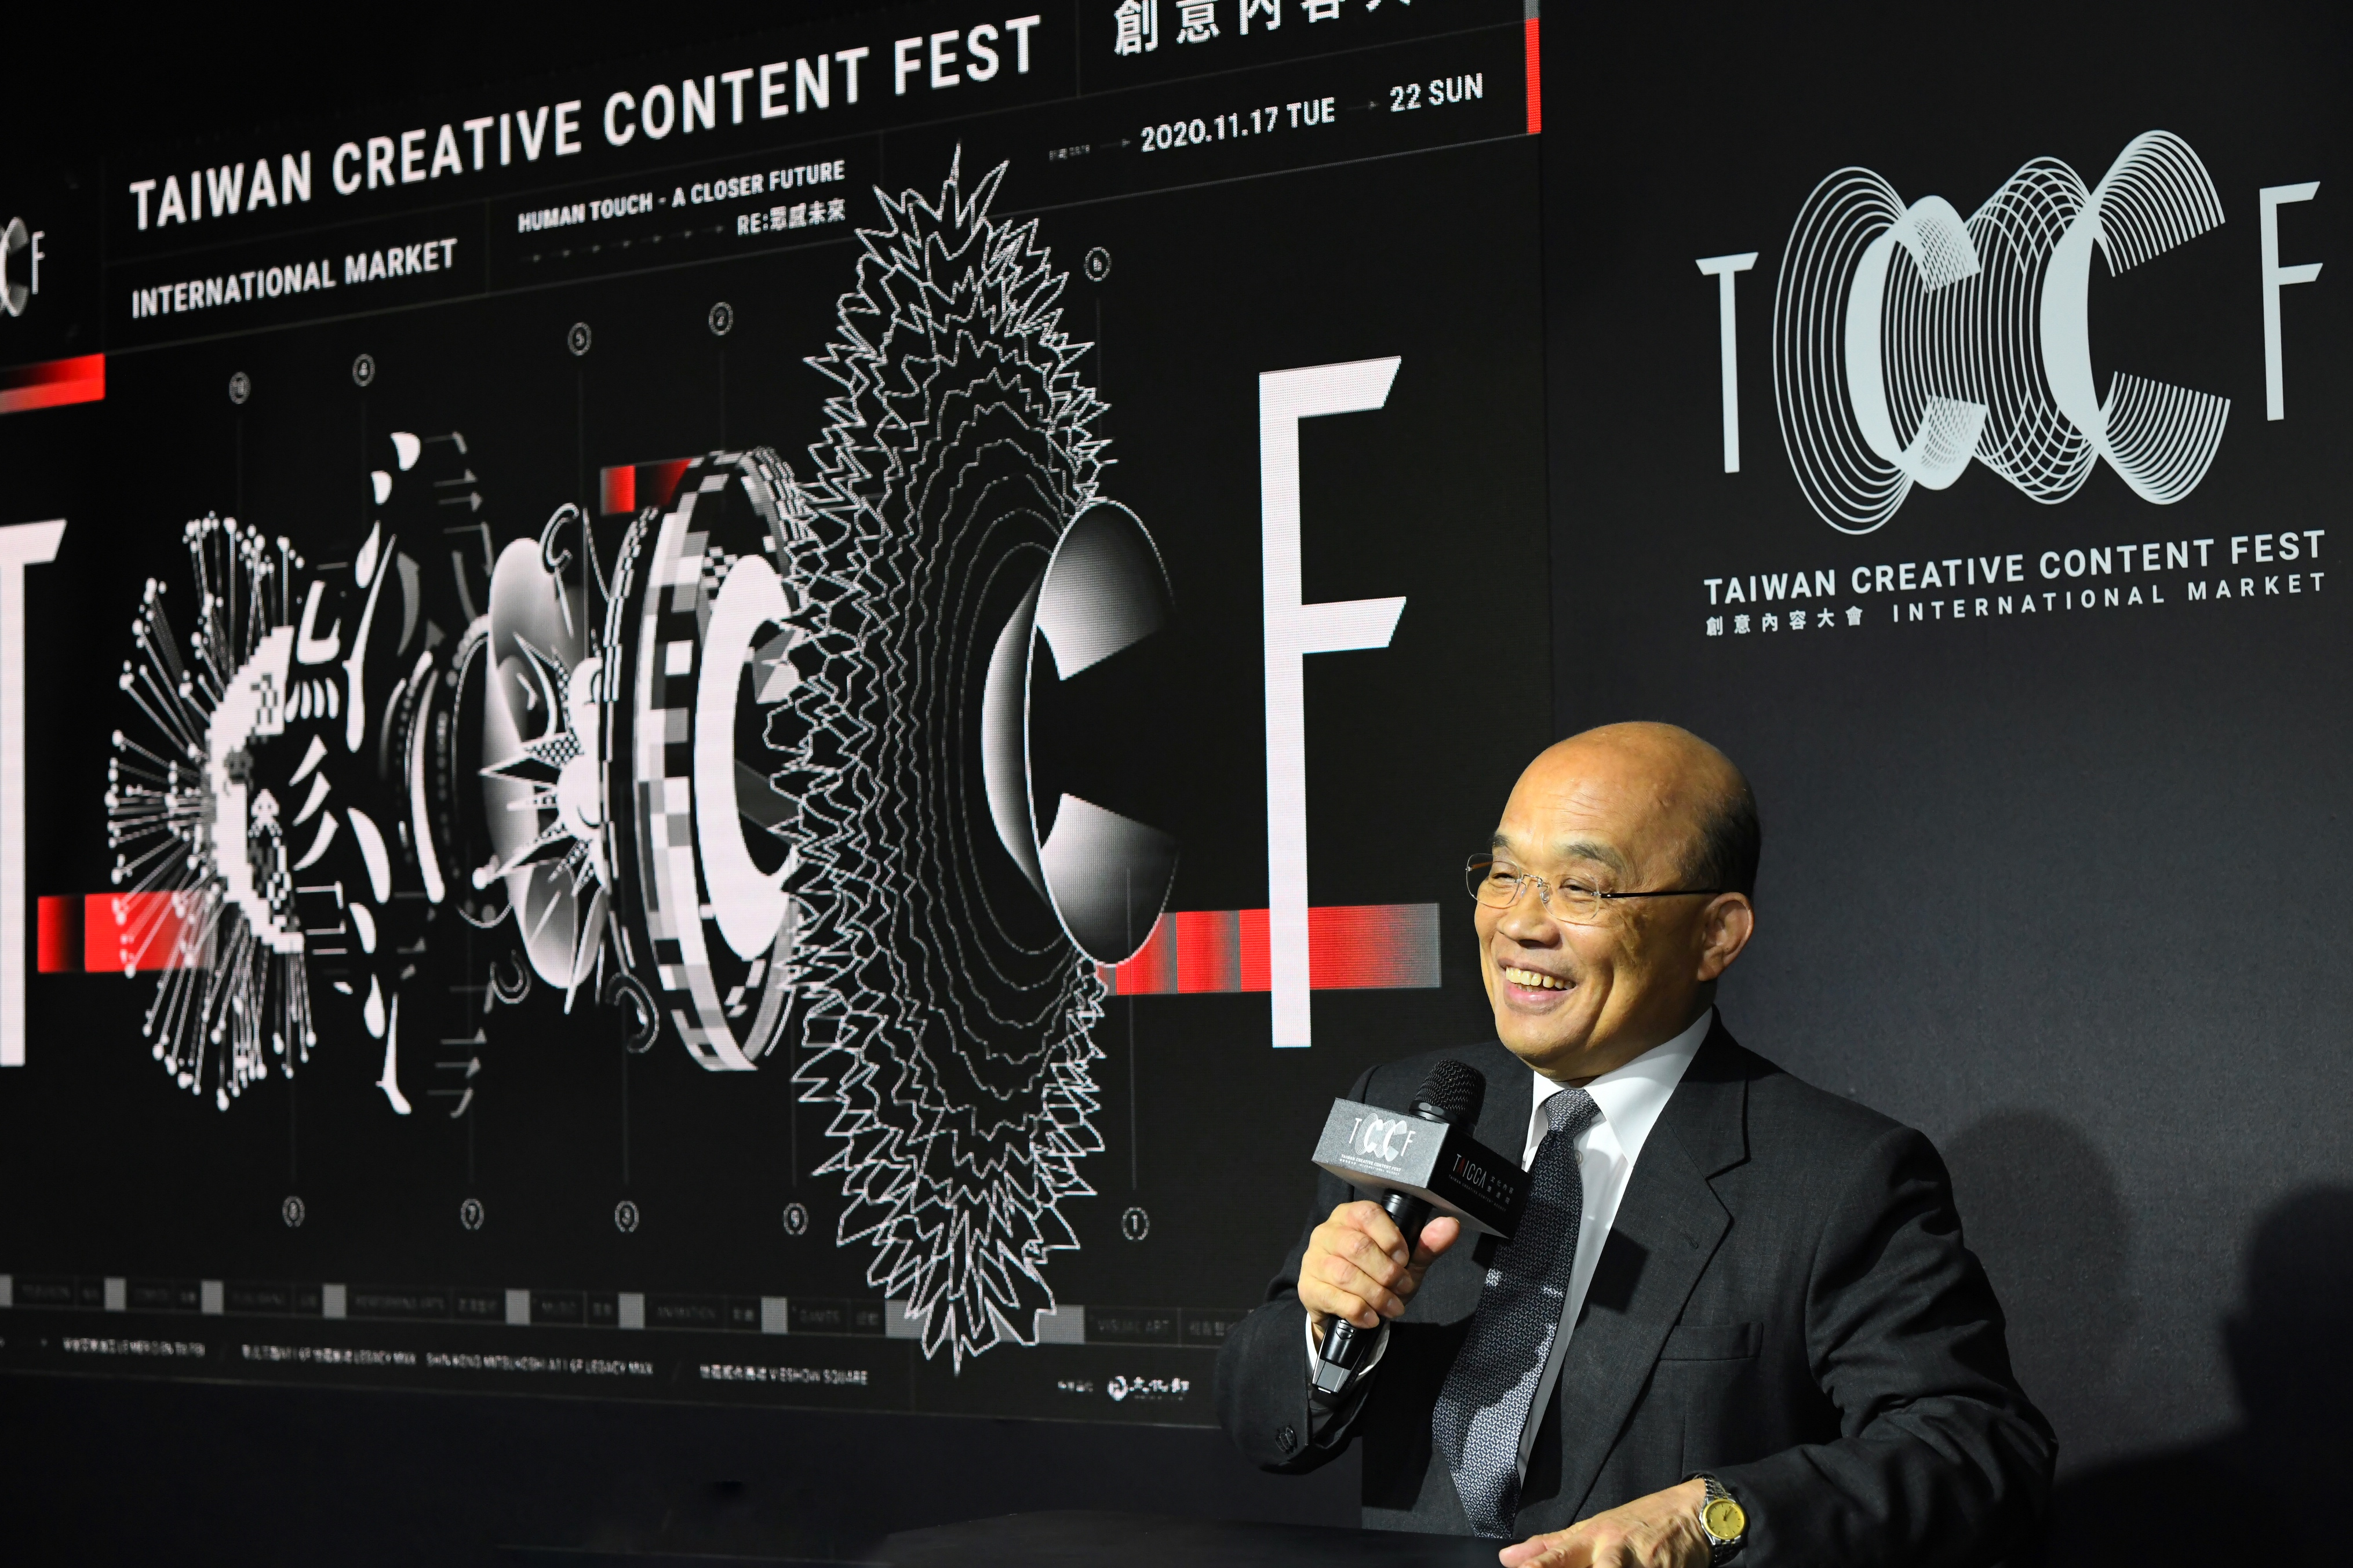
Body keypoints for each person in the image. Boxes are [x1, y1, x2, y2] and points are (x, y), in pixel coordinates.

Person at [1214, 723, 2054, 1567]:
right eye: (1504, 875)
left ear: (1717, 934)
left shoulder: (1839, 1177)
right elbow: (1263, 1426)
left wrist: (1712, 1516)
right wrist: (1325, 1331)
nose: (1521, 924)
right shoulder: (1406, 1104)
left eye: (1582, 888)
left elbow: (1976, 1451)